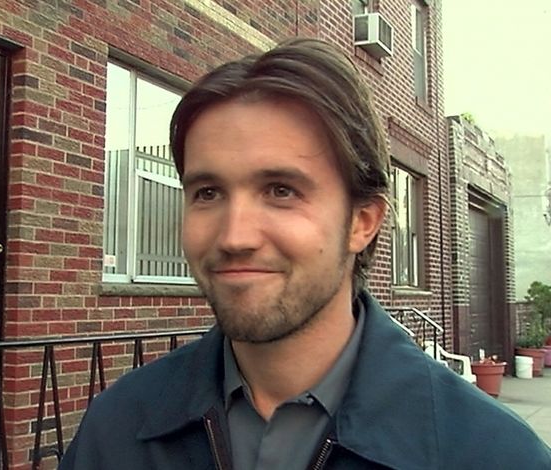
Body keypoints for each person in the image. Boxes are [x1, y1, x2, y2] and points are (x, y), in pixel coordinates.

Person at [59, 38, 551, 469]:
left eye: (281, 190)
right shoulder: (117, 430)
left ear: (362, 221)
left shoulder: (490, 453)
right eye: (207, 193)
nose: (235, 236)